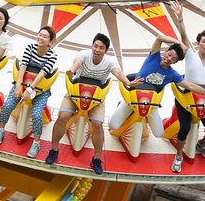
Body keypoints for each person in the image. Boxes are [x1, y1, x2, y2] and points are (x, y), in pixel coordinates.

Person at [44, 33, 139, 175]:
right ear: (92, 46)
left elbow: (118, 72)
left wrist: (128, 82)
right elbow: (77, 62)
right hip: (76, 92)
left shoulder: (109, 62)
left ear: (105, 50)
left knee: (97, 124)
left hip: (96, 97)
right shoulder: (84, 54)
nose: (97, 50)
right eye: (95, 46)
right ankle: (54, 149)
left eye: (101, 48)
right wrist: (72, 70)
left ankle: (97, 158)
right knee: (63, 116)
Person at [166, 1, 205, 172]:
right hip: (186, 97)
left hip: (203, 99)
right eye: (203, 41)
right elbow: (183, 36)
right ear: (198, 43)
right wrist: (180, 17)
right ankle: (178, 156)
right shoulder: (190, 53)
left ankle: (202, 143)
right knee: (184, 128)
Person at [0, 26, 59, 159]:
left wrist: (30, 89)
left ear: (50, 41)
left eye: (45, 37)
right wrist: (18, 85)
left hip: (40, 89)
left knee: (36, 114)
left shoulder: (52, 55)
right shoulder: (30, 48)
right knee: (7, 106)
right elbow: (23, 65)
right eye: (40, 35)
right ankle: (0, 129)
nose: (41, 38)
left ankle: (36, 142)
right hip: (22, 83)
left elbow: (42, 73)